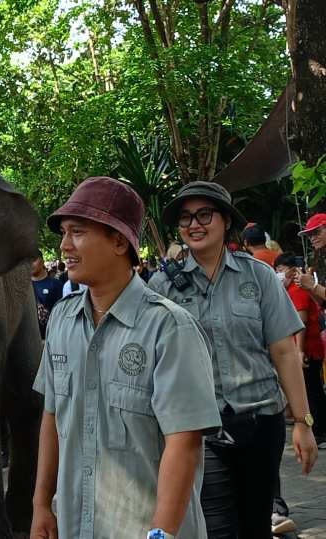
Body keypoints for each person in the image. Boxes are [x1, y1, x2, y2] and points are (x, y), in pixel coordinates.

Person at [31, 176, 220, 539]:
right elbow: (52, 417)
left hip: (144, 529)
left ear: (119, 241)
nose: (65, 245)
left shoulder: (170, 329)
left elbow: (184, 443)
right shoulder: (61, 320)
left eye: (78, 232)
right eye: (64, 233)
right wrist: (41, 504)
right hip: (76, 525)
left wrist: (160, 534)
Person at [149, 181, 318, 538]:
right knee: (219, 529)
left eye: (204, 215)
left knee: (256, 526)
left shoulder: (258, 277)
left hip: (261, 423)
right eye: (185, 218)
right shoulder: (162, 288)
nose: (194, 225)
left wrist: (303, 423)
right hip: (201, 432)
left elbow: (284, 351)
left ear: (226, 221)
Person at [276, 253, 326, 444]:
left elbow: (301, 322)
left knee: (312, 390)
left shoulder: (297, 290)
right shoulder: (292, 289)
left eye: (280, 270)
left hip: (308, 348)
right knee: (313, 389)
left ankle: (319, 430)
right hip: (307, 347)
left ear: (292, 270)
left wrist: (299, 351)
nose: (278, 274)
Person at [31, 251, 64, 339]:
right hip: (29, 339)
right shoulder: (22, 286)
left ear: (42, 261)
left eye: (33, 260)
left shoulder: (56, 285)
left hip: (51, 336)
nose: (30, 264)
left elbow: (61, 313)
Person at [296, 213, 326, 303]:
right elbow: (322, 303)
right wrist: (307, 287)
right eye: (309, 235)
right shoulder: (318, 258)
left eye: (316, 232)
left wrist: (313, 285)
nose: (312, 238)